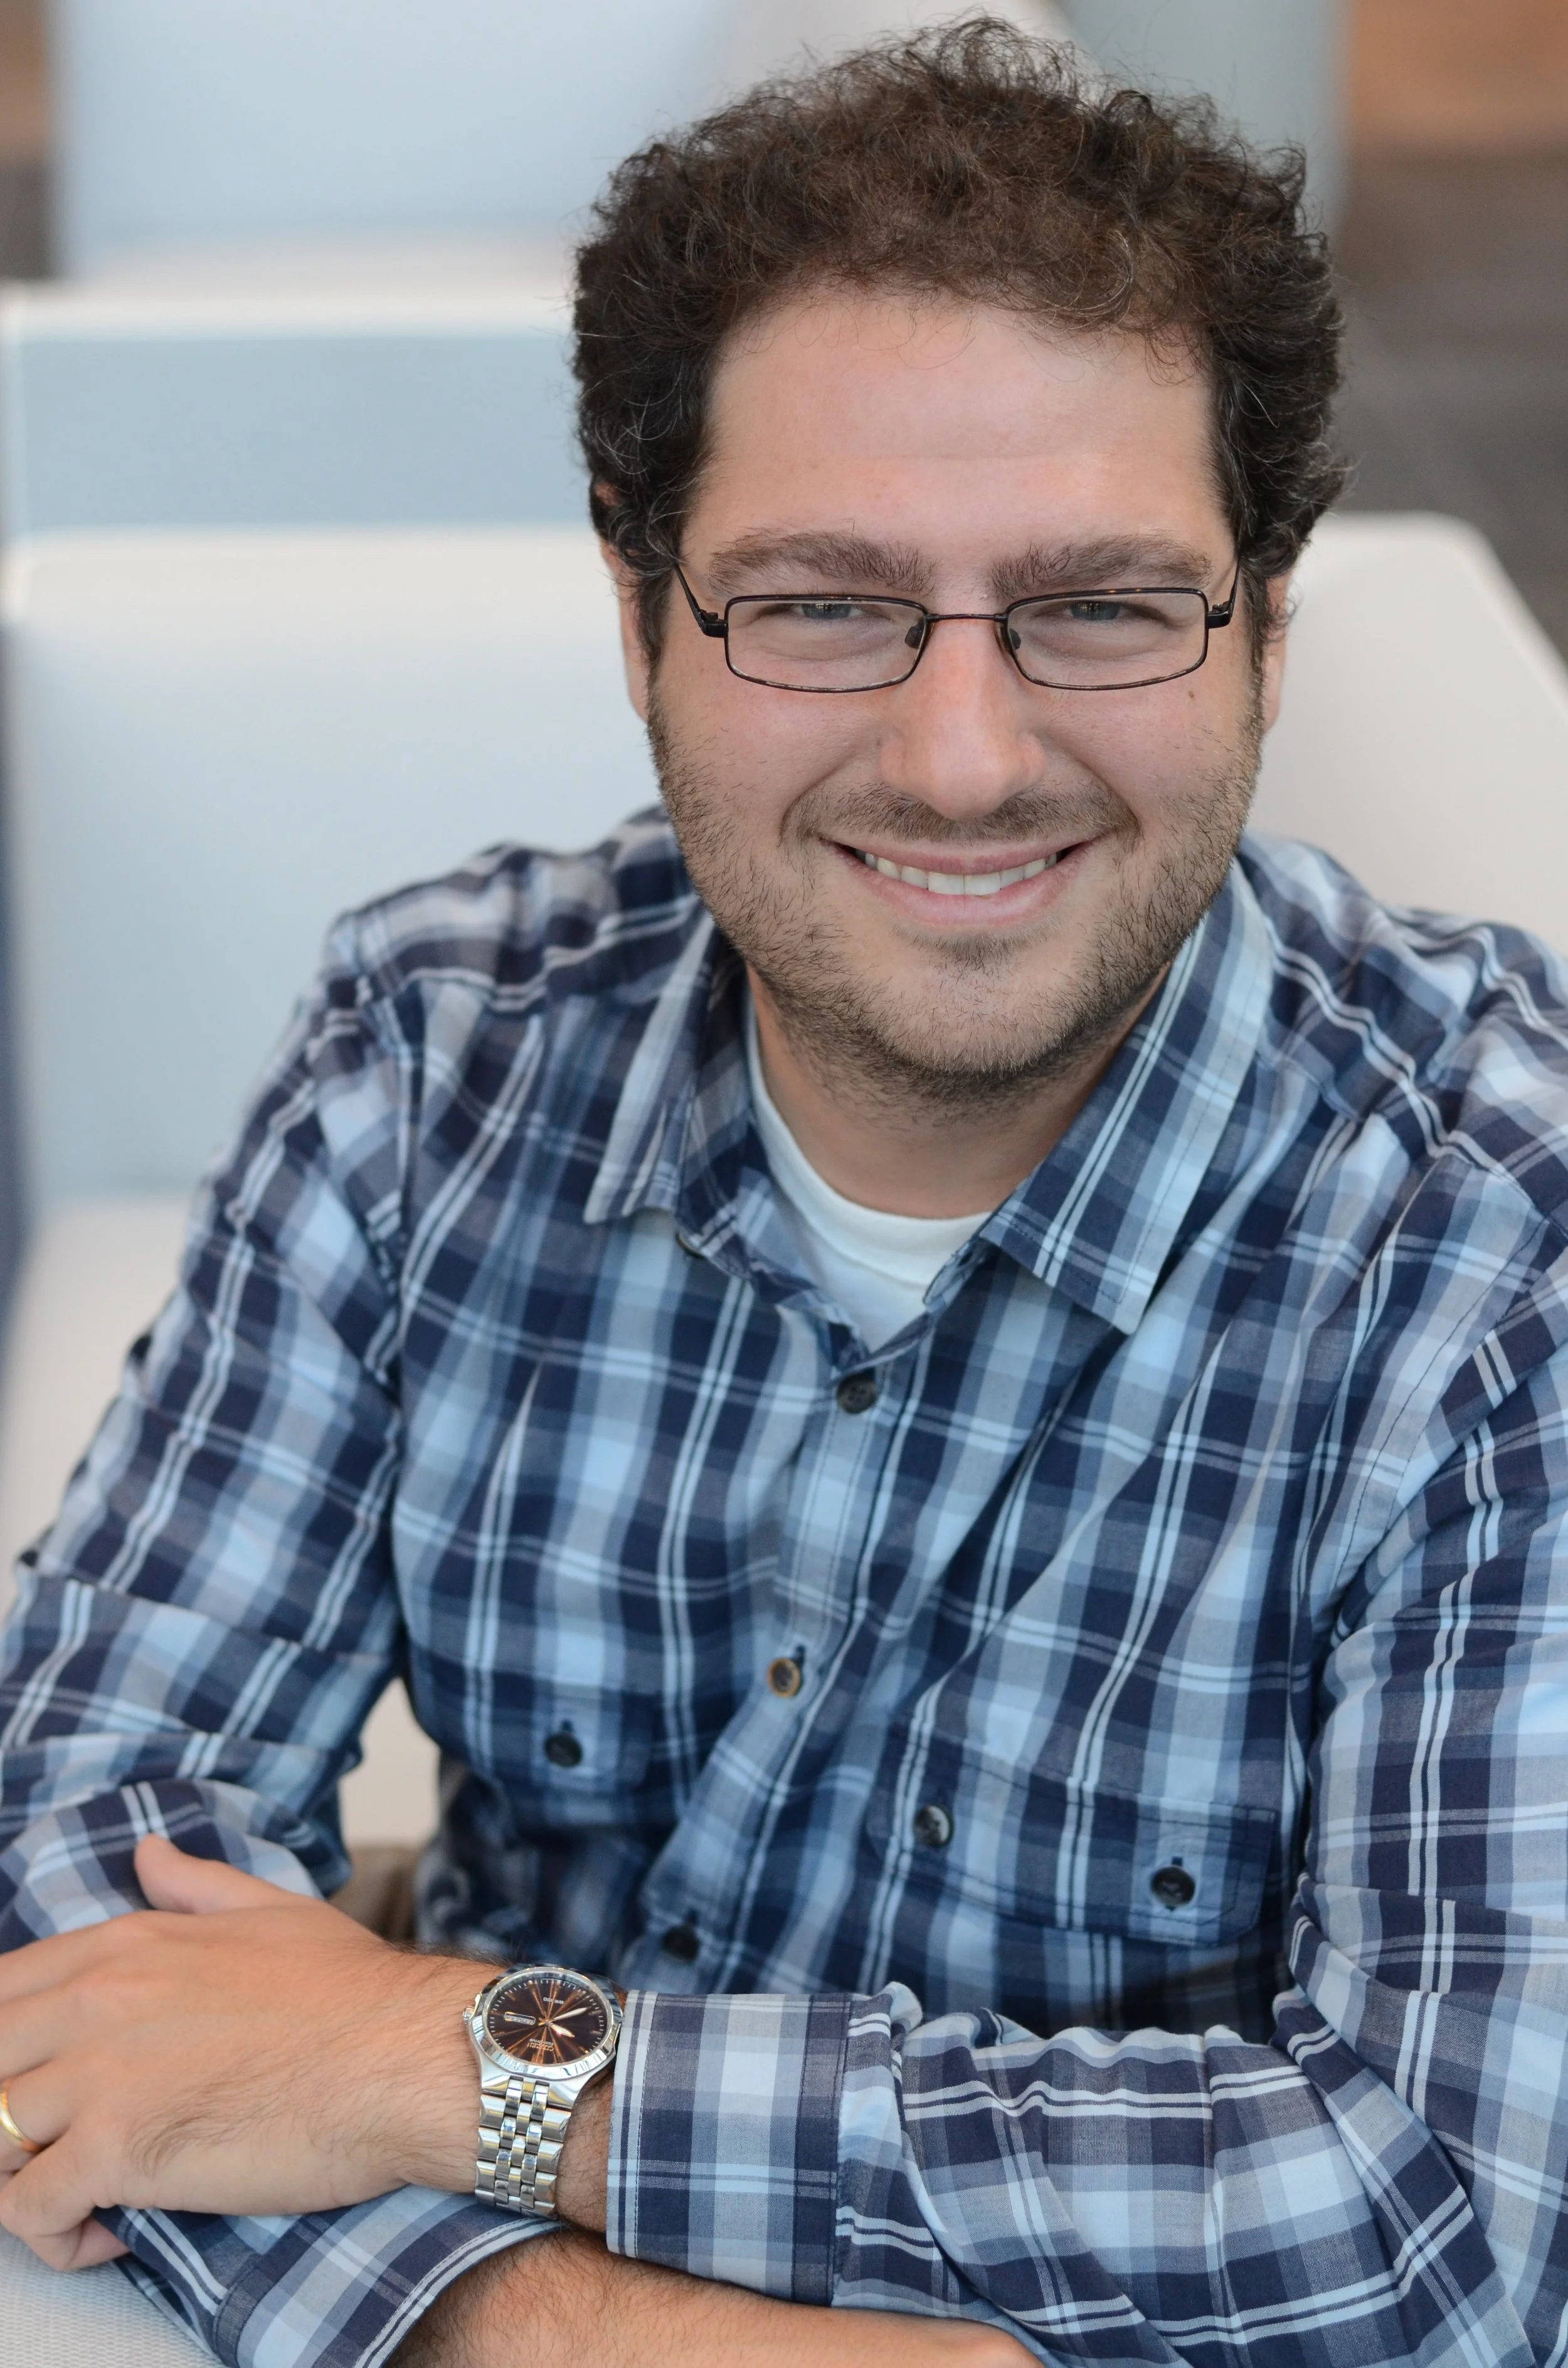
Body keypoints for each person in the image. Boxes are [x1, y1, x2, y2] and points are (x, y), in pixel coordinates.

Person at [2, 18, 1565, 2367]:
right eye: (824, 602)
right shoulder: (437, 1054)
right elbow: (71, 1894)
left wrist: (427, 2064)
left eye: (1104, 606)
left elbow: (1439, 2222)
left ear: (1262, 632)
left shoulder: (1499, 1236)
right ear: (640, 626)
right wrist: (545, 2331)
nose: (961, 754)